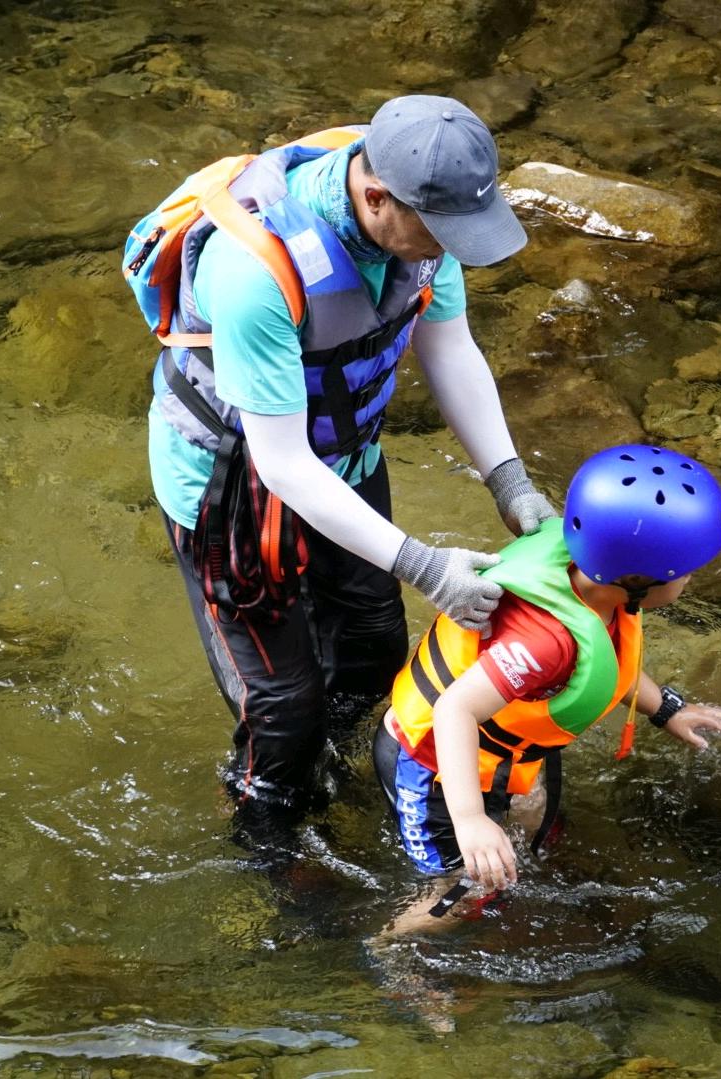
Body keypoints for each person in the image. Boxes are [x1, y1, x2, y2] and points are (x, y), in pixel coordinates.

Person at [141, 94, 555, 839]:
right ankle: (271, 847)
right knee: (283, 709)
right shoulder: (255, 272)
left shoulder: (422, 220)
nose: (447, 248)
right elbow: (283, 464)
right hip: (230, 486)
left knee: (372, 649)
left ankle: (332, 765)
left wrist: (509, 480)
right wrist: (426, 566)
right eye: (439, 233)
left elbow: (450, 347)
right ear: (374, 197)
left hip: (345, 454)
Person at [373, 443, 721, 928]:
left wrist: (667, 709)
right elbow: (454, 710)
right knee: (468, 886)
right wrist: (470, 822)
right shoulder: (545, 642)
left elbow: (610, 663)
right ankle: (392, 950)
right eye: (687, 570)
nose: (691, 579)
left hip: (493, 751)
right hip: (431, 765)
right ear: (638, 579)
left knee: (533, 816)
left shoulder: (588, 579)